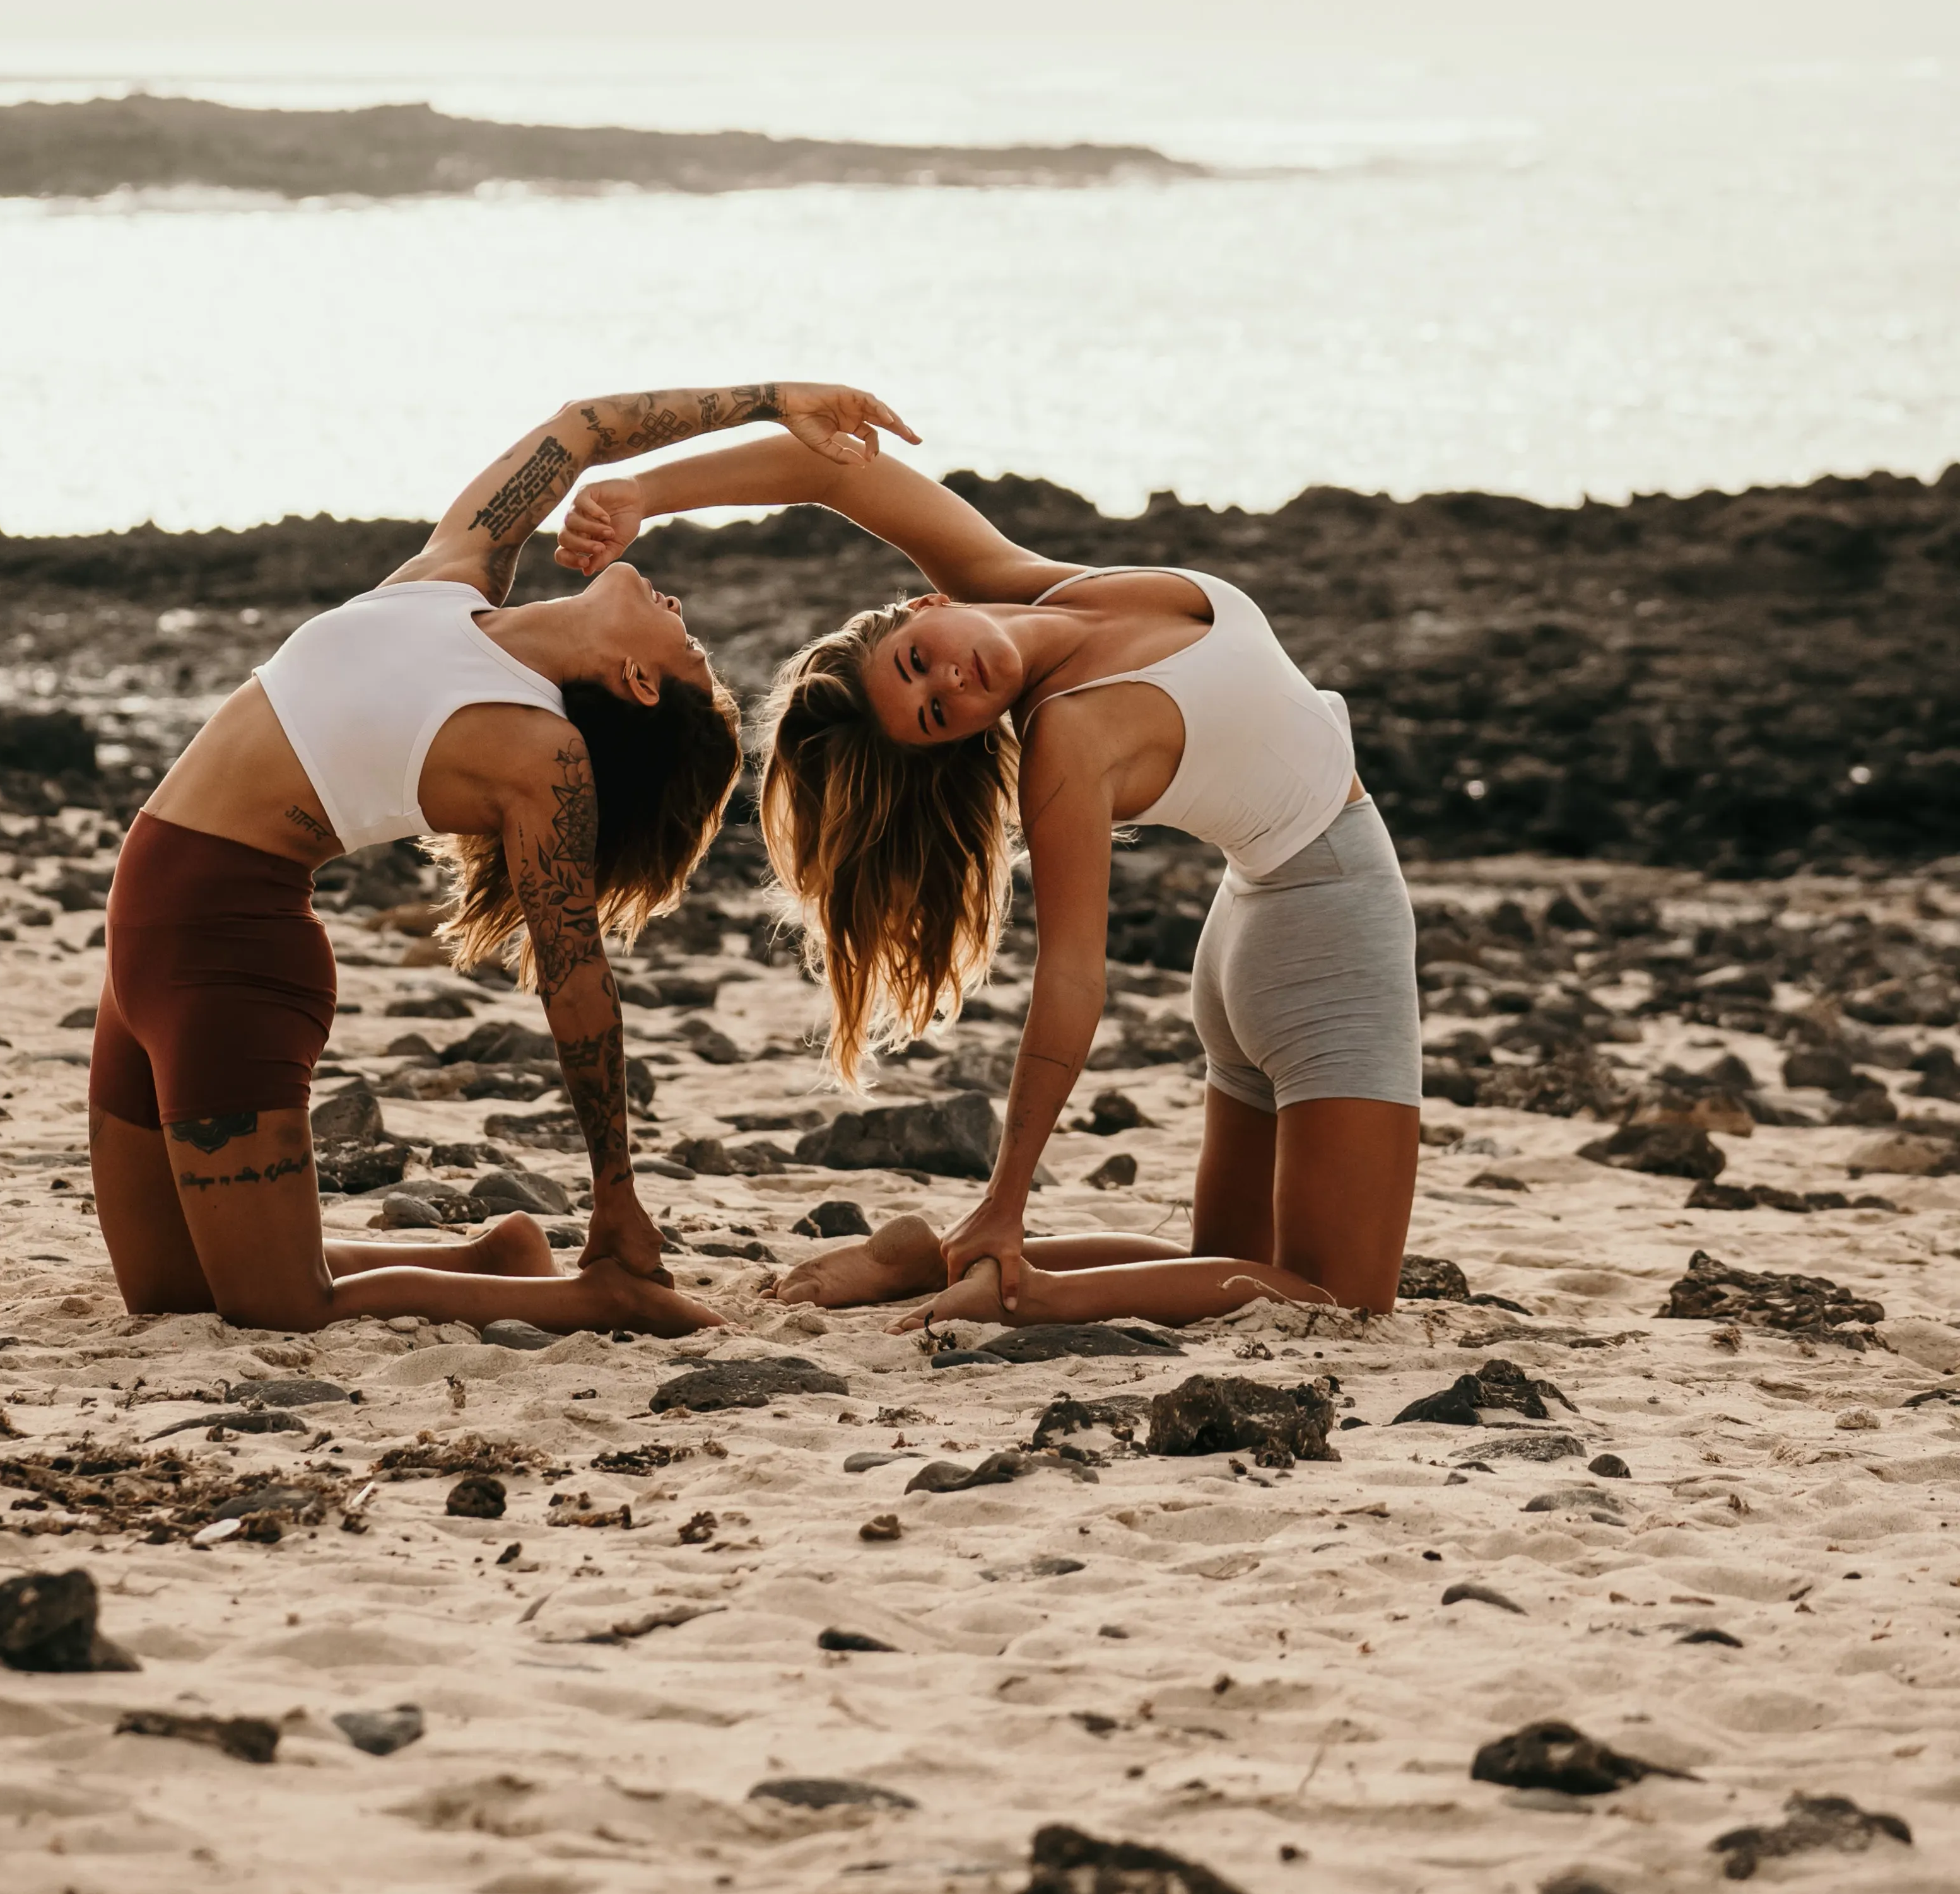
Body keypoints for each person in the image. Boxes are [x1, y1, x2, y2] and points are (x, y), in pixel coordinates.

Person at [90, 381, 910, 1336]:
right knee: (168, 1296)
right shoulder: (452, 578)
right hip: (141, 944)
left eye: (688, 646)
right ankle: (493, 1260)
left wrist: (616, 1197)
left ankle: (588, 1295)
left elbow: (576, 980)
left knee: (277, 1308)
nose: (681, 607)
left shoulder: (536, 755)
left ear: (639, 682)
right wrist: (775, 400)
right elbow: (584, 430)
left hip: (228, 959)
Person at [556, 435, 1421, 1324]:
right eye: (937, 714)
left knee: (1230, 1268)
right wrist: (1007, 1200)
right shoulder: (1067, 742)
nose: (953, 680)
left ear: (922, 604)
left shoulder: (1027, 583)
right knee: (1342, 1298)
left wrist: (643, 491)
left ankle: (934, 1266)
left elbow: (834, 472)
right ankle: (1018, 1290)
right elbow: (1074, 978)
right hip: (1330, 932)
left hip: (1258, 929)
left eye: (917, 659)